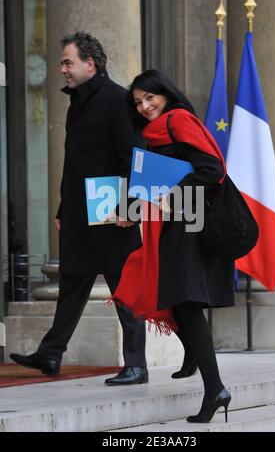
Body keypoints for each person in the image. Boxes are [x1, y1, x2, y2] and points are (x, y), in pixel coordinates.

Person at [10, 31, 148, 386]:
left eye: (67, 62)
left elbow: (132, 159)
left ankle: (137, 365)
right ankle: (50, 353)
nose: (62, 70)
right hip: (80, 215)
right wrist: (62, 209)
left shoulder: (118, 100)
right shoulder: (78, 101)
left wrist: (129, 209)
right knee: (71, 287)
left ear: (91, 63)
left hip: (113, 216)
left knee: (126, 292)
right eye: (61, 63)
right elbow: (77, 164)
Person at [111, 69, 234, 422]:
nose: (145, 106)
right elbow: (160, 177)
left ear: (165, 93)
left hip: (189, 226)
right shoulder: (156, 130)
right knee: (179, 301)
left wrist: (173, 195)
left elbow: (213, 169)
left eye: (150, 97)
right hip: (175, 224)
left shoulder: (177, 119)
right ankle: (201, 366)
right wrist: (131, 209)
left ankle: (215, 388)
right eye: (138, 102)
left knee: (185, 302)